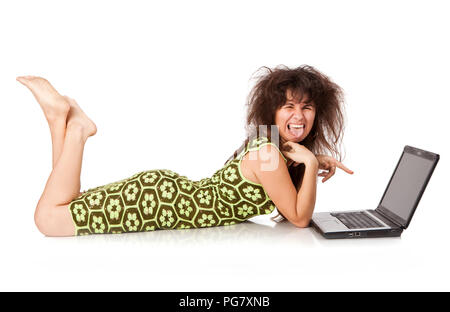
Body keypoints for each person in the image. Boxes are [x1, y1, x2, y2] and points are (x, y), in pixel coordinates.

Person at [17, 65, 353, 237]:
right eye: (289, 106)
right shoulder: (267, 153)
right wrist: (310, 164)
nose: (298, 116)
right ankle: (76, 130)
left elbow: (283, 197)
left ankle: (56, 119)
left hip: (166, 196)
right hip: (162, 203)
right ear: (273, 112)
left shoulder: (266, 145)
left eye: (307, 108)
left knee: (66, 203)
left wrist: (311, 159)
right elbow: (298, 218)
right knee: (48, 220)